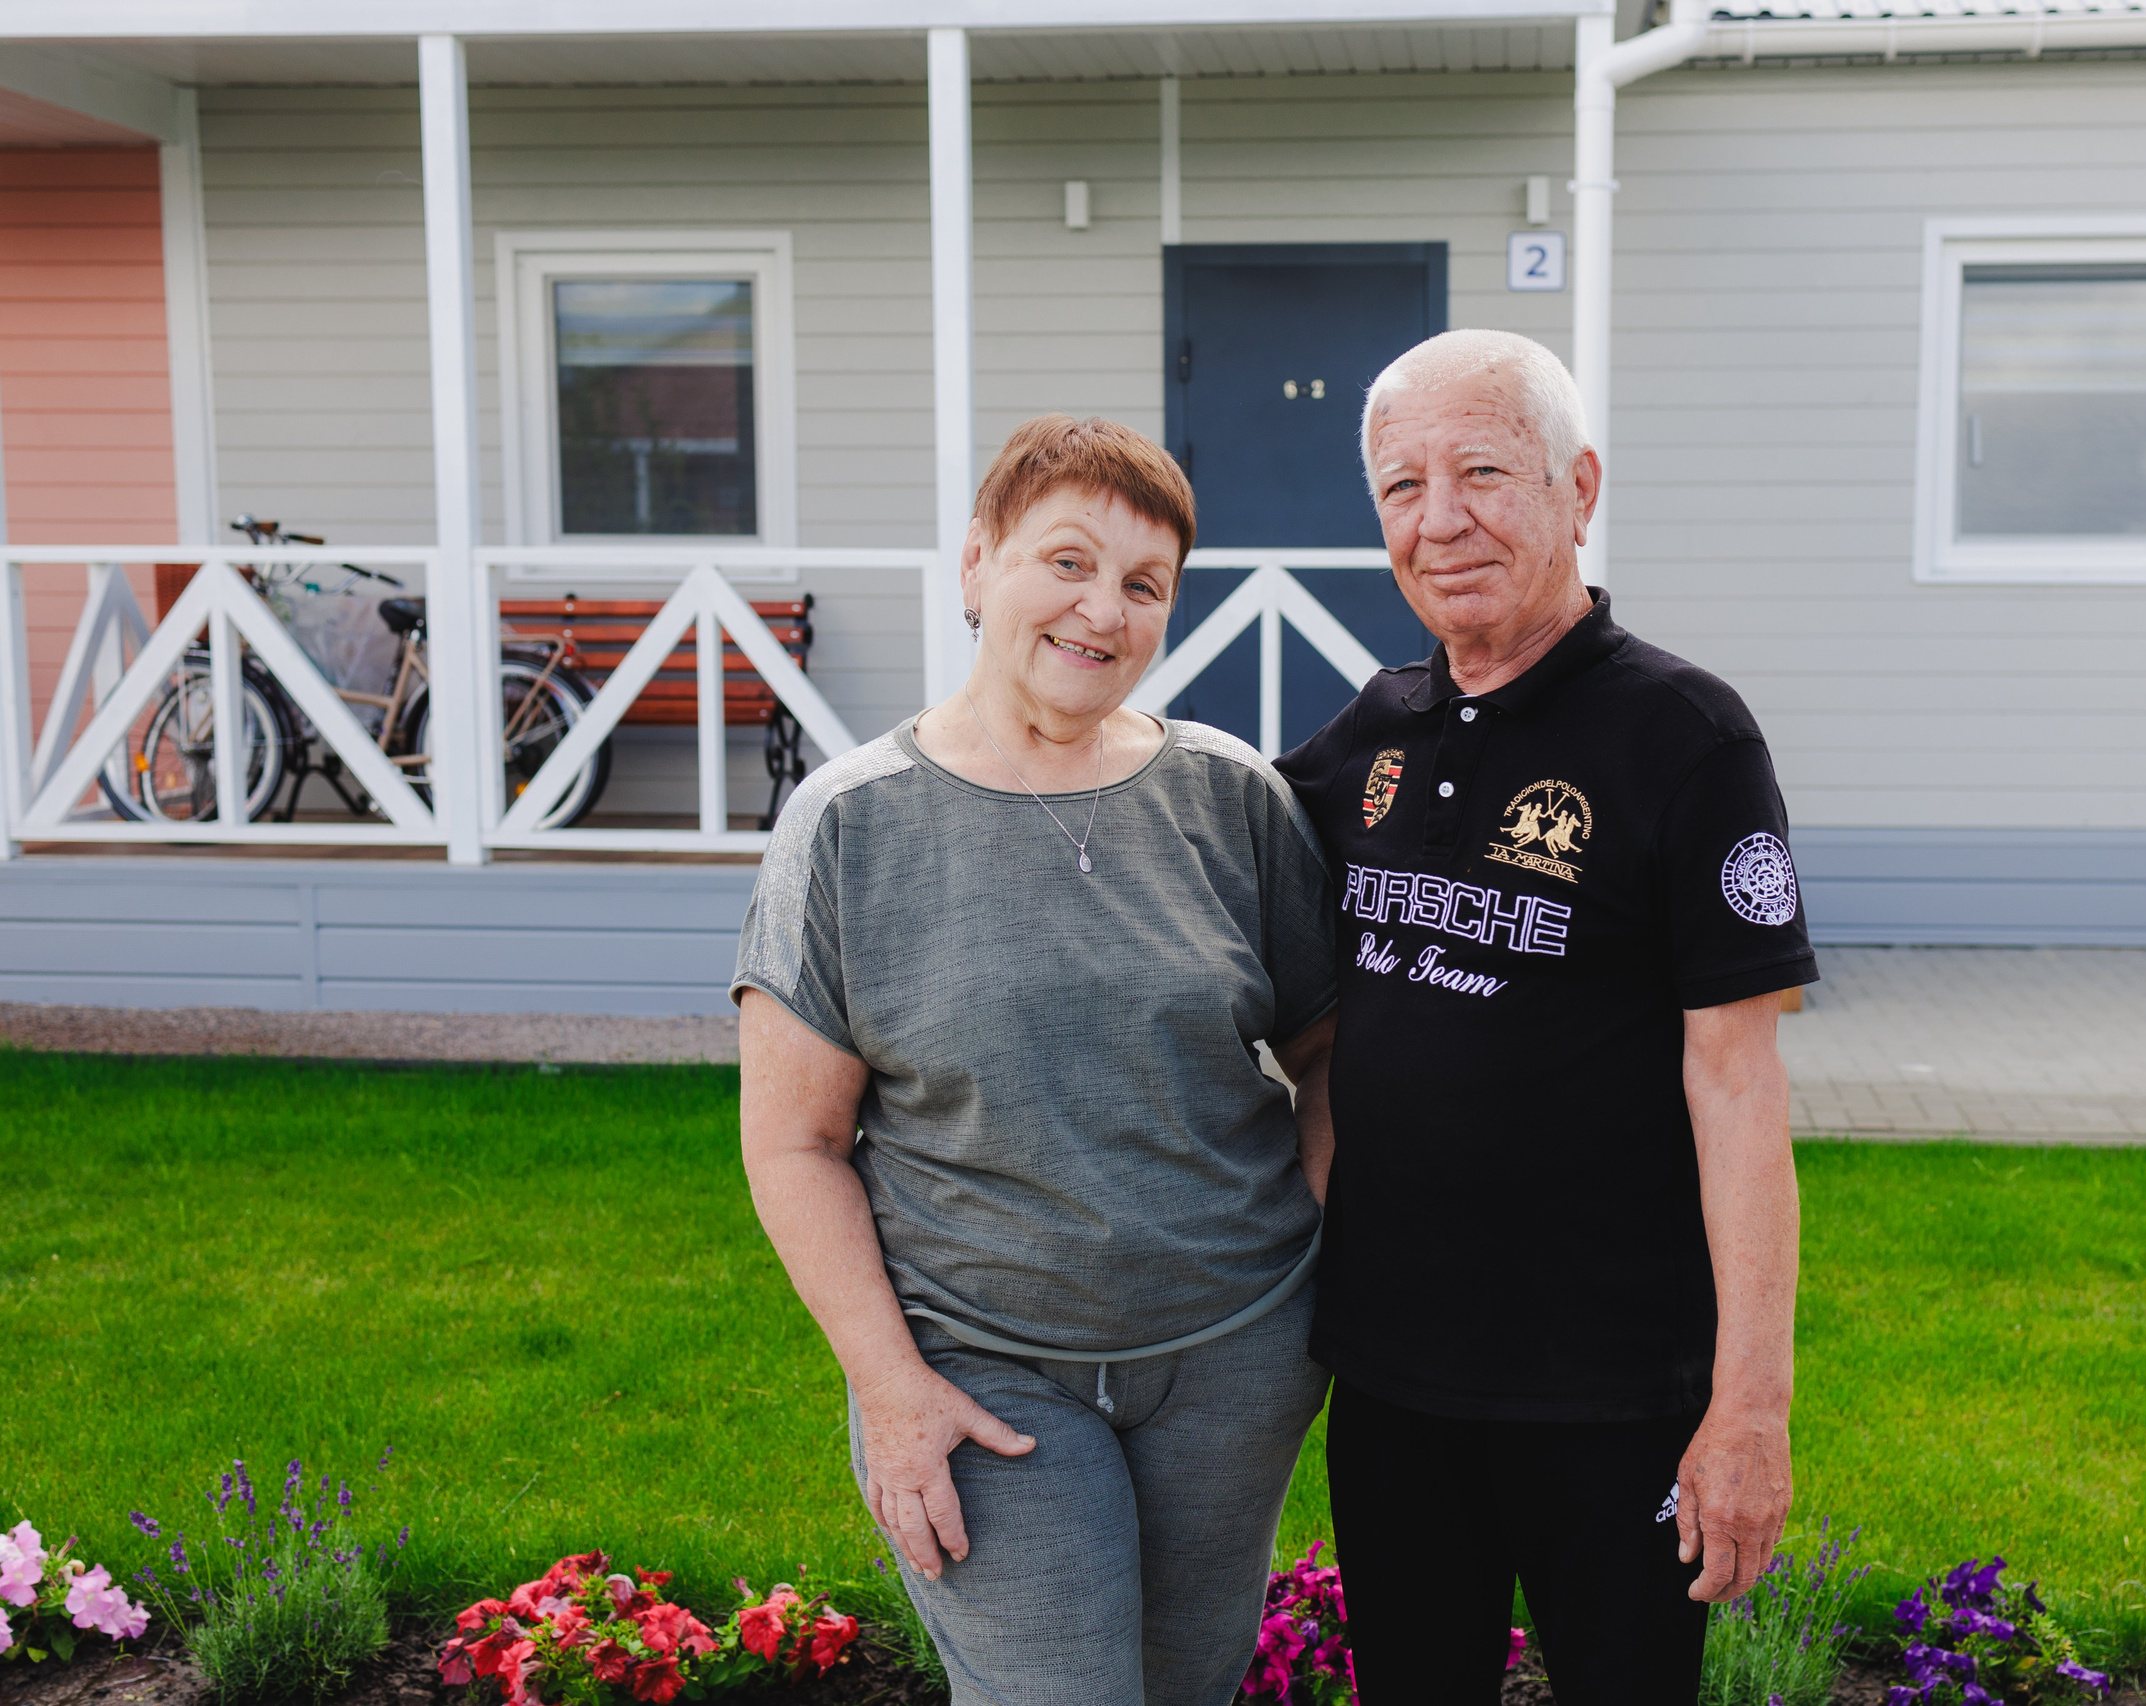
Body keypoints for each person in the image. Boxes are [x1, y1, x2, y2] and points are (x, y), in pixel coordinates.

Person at [733, 415, 1341, 1706]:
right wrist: (891, 1388)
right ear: (976, 565)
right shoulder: (849, 823)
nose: (1100, 610)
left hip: (1234, 1357)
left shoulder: (1232, 798)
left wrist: (1338, 1259)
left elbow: (1328, 1049)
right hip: (979, 1367)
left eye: (1142, 584)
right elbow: (794, 1142)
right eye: (1066, 562)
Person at [1275, 329, 1815, 1704]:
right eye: (1402, 486)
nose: (1439, 518)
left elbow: (1741, 1085)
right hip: (1394, 1384)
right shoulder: (1368, 738)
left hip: (1618, 1398)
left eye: (1482, 472)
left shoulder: (1688, 739)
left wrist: (1749, 1407)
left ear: (1579, 487)